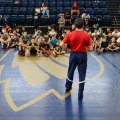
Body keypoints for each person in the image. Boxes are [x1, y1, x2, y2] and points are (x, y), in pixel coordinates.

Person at [60, 18, 93, 100]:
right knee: (82, 74)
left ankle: (68, 88)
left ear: (74, 25)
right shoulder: (86, 35)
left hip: (73, 54)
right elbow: (91, 49)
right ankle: (80, 94)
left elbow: (61, 44)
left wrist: (66, 49)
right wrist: (86, 49)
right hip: (82, 55)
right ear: (83, 25)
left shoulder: (70, 34)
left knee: (70, 71)